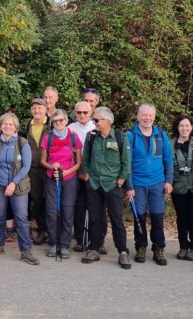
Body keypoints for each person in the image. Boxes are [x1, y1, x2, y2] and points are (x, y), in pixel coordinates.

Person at [80, 107, 132, 269]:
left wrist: (120, 182)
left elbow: (126, 163)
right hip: (94, 183)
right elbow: (86, 158)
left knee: (116, 218)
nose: (93, 123)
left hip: (112, 185)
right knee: (95, 218)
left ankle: (122, 251)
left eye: (96, 120)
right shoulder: (91, 137)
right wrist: (87, 175)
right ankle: (94, 248)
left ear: (107, 121)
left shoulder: (120, 137)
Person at [0, 113, 39, 265]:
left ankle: (26, 251)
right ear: (0, 125)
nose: (8, 127)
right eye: (5, 124)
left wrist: (13, 183)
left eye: (11, 125)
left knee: (21, 218)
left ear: (16, 127)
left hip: (18, 185)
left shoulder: (22, 143)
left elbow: (26, 167)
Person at [124, 103, 174, 266]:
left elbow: (168, 159)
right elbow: (127, 163)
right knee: (139, 217)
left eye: (150, 115)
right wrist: (129, 186)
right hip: (137, 183)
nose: (147, 118)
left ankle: (158, 248)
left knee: (157, 217)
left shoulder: (161, 134)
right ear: (138, 116)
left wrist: (169, 181)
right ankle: (141, 247)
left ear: (154, 117)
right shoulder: (130, 135)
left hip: (157, 182)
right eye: (144, 115)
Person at [40, 109, 82, 259]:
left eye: (61, 120)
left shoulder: (73, 137)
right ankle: (53, 243)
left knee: (67, 212)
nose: (58, 123)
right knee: (51, 212)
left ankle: (64, 245)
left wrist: (65, 172)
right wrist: (52, 167)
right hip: (52, 178)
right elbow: (43, 160)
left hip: (69, 179)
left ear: (66, 121)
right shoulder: (48, 137)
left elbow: (79, 162)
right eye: (55, 121)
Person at [170, 114, 193, 261]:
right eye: (181, 125)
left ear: (192, 127)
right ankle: (183, 246)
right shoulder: (170, 144)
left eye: (187, 125)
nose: (184, 128)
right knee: (182, 218)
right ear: (177, 128)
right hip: (178, 186)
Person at [68, 101, 101, 252]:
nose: (82, 115)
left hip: (94, 174)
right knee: (79, 208)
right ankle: (80, 240)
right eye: (79, 112)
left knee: (97, 208)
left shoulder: (97, 127)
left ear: (91, 113)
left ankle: (98, 241)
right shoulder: (70, 128)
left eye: (85, 113)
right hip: (75, 174)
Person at [24, 98, 50, 245]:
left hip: (49, 167)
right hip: (32, 168)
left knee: (46, 200)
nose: (37, 111)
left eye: (39, 108)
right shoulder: (28, 125)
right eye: (34, 108)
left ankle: (45, 230)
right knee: (34, 199)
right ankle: (38, 230)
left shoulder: (52, 123)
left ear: (45, 109)